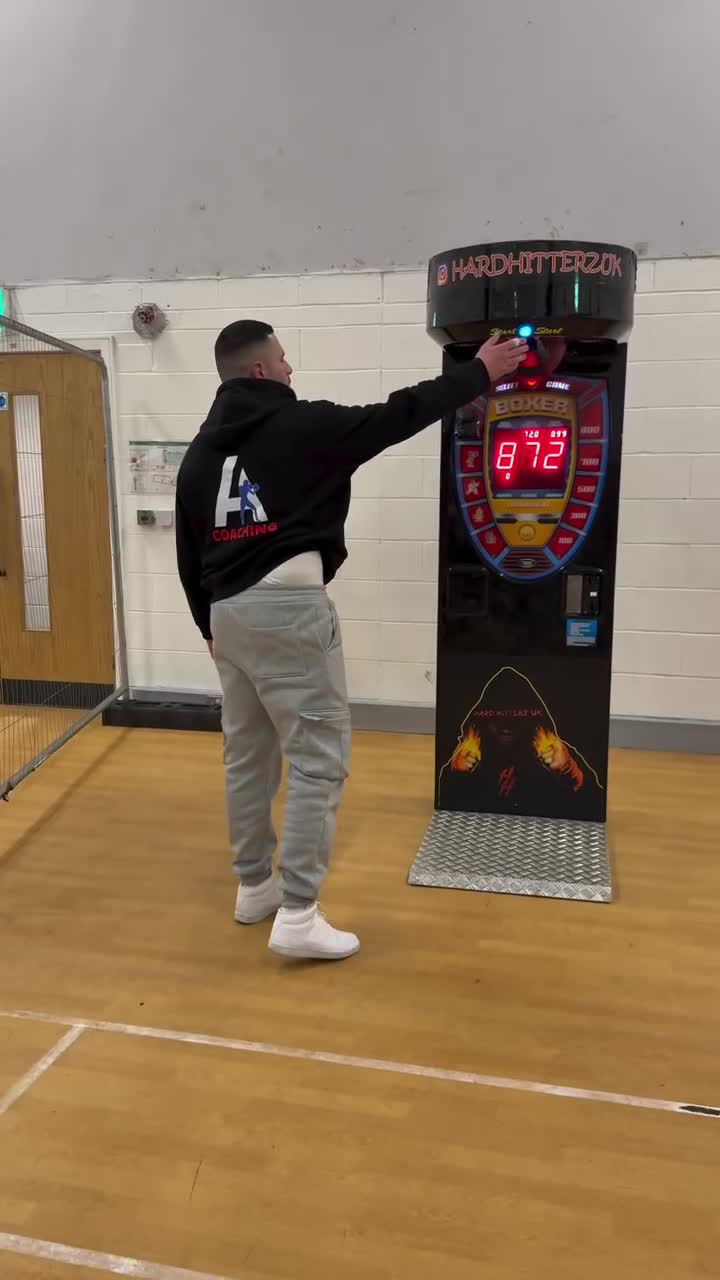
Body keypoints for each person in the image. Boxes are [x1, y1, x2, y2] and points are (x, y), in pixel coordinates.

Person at [175, 319, 528, 961]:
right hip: (287, 609)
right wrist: (480, 371)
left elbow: (187, 550)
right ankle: (298, 913)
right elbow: (398, 413)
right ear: (259, 370)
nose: (291, 369)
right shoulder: (302, 424)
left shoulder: (200, 453)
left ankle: (255, 887)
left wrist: (206, 626)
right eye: (283, 360)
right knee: (318, 758)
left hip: (227, 616)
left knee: (247, 756)